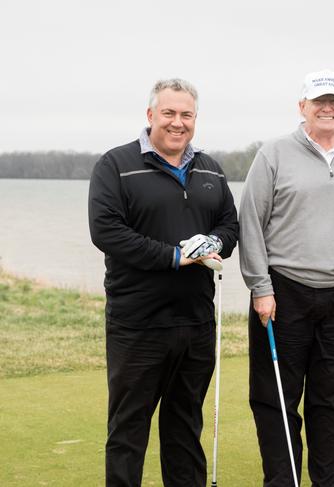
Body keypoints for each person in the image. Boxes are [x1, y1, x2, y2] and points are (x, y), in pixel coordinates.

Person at [239, 69, 334, 487]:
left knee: (328, 399)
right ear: (302, 106)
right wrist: (260, 287)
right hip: (283, 292)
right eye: (318, 101)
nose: (327, 108)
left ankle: (327, 481)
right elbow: (251, 221)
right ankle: (283, 481)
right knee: (276, 398)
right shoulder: (273, 153)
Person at [88, 78, 239, 487]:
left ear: (195, 118)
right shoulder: (116, 164)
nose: (177, 122)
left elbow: (229, 223)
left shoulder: (210, 168)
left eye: (186, 114)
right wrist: (175, 256)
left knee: (185, 425)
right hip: (138, 323)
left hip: (195, 321)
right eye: (169, 113)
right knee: (128, 429)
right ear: (150, 115)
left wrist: (214, 241)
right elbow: (107, 232)